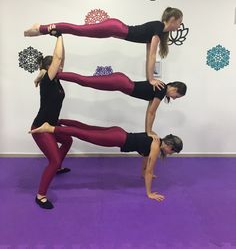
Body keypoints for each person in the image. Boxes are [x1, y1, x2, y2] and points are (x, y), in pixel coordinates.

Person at [24, 7, 183, 88]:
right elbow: (153, 55)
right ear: (173, 19)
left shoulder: (158, 31)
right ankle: (41, 27)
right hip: (115, 28)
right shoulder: (158, 27)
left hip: (114, 30)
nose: (180, 25)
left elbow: (149, 54)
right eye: (180, 21)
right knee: (78, 30)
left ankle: (42, 28)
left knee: (78, 31)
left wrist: (150, 79)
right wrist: (151, 79)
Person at [29, 119, 183, 202]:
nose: (171, 153)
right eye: (173, 151)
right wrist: (149, 193)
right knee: (84, 134)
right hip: (117, 138)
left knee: (88, 129)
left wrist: (143, 173)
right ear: (169, 145)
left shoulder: (155, 137)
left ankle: (60, 121)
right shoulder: (156, 147)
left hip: (118, 132)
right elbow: (150, 171)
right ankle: (51, 128)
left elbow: (145, 158)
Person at [45, 71, 186, 139]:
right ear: (174, 89)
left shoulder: (160, 89)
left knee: (85, 81)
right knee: (85, 81)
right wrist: (148, 132)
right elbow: (151, 113)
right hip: (120, 83)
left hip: (121, 81)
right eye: (177, 96)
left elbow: (150, 111)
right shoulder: (161, 90)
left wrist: (148, 131)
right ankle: (53, 74)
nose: (174, 99)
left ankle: (56, 74)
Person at [30, 26, 73, 210]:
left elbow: (60, 58)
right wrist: (59, 36)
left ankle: (58, 168)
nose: (61, 66)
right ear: (48, 68)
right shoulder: (47, 80)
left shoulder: (56, 80)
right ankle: (40, 196)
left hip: (52, 125)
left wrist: (62, 42)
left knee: (68, 140)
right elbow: (57, 58)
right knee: (53, 160)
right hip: (41, 128)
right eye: (56, 66)